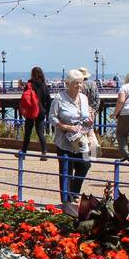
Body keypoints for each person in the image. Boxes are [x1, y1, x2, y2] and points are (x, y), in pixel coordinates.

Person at [50, 69, 94, 202]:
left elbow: (86, 117)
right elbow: (52, 117)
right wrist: (66, 127)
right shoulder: (59, 98)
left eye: (81, 82)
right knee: (66, 169)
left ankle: (74, 192)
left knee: (85, 164)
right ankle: (66, 200)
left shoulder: (84, 98)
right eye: (76, 83)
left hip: (81, 138)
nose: (79, 85)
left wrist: (90, 127)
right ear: (68, 84)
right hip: (64, 140)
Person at [20, 66, 51, 159]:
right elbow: (49, 100)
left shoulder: (29, 85)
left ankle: (23, 152)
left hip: (31, 111)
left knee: (27, 132)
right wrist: (46, 111)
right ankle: (44, 153)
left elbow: (24, 99)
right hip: (41, 112)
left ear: (32, 74)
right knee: (40, 132)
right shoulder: (44, 85)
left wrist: (23, 110)